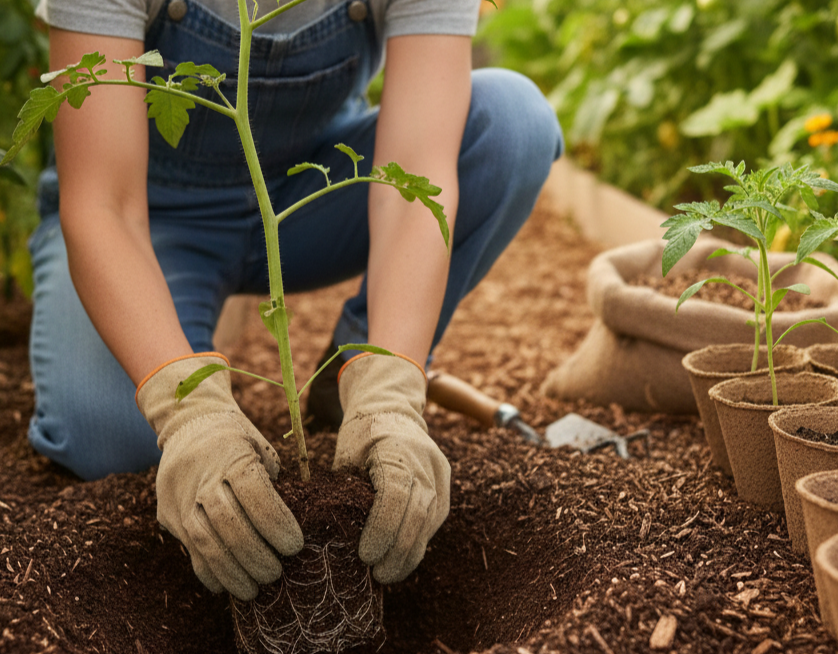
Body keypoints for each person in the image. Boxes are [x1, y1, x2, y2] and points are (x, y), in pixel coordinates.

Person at [28, 0, 563, 601]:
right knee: (109, 434)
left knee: (512, 122)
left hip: (312, 196)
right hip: (151, 217)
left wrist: (392, 384)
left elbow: (413, 178)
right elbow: (103, 205)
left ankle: (355, 372)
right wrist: (190, 414)